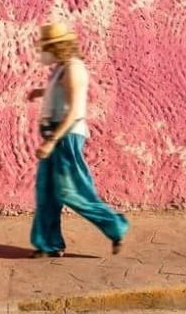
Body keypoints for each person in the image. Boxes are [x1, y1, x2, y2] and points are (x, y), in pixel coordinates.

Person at [26, 21, 129, 258]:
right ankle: (48, 244)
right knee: (47, 192)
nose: (44, 51)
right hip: (54, 133)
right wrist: (41, 92)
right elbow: (60, 92)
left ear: (59, 47)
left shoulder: (74, 69)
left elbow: (74, 111)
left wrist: (53, 142)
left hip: (66, 136)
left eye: (48, 47)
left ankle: (115, 226)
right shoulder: (61, 68)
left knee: (71, 191)